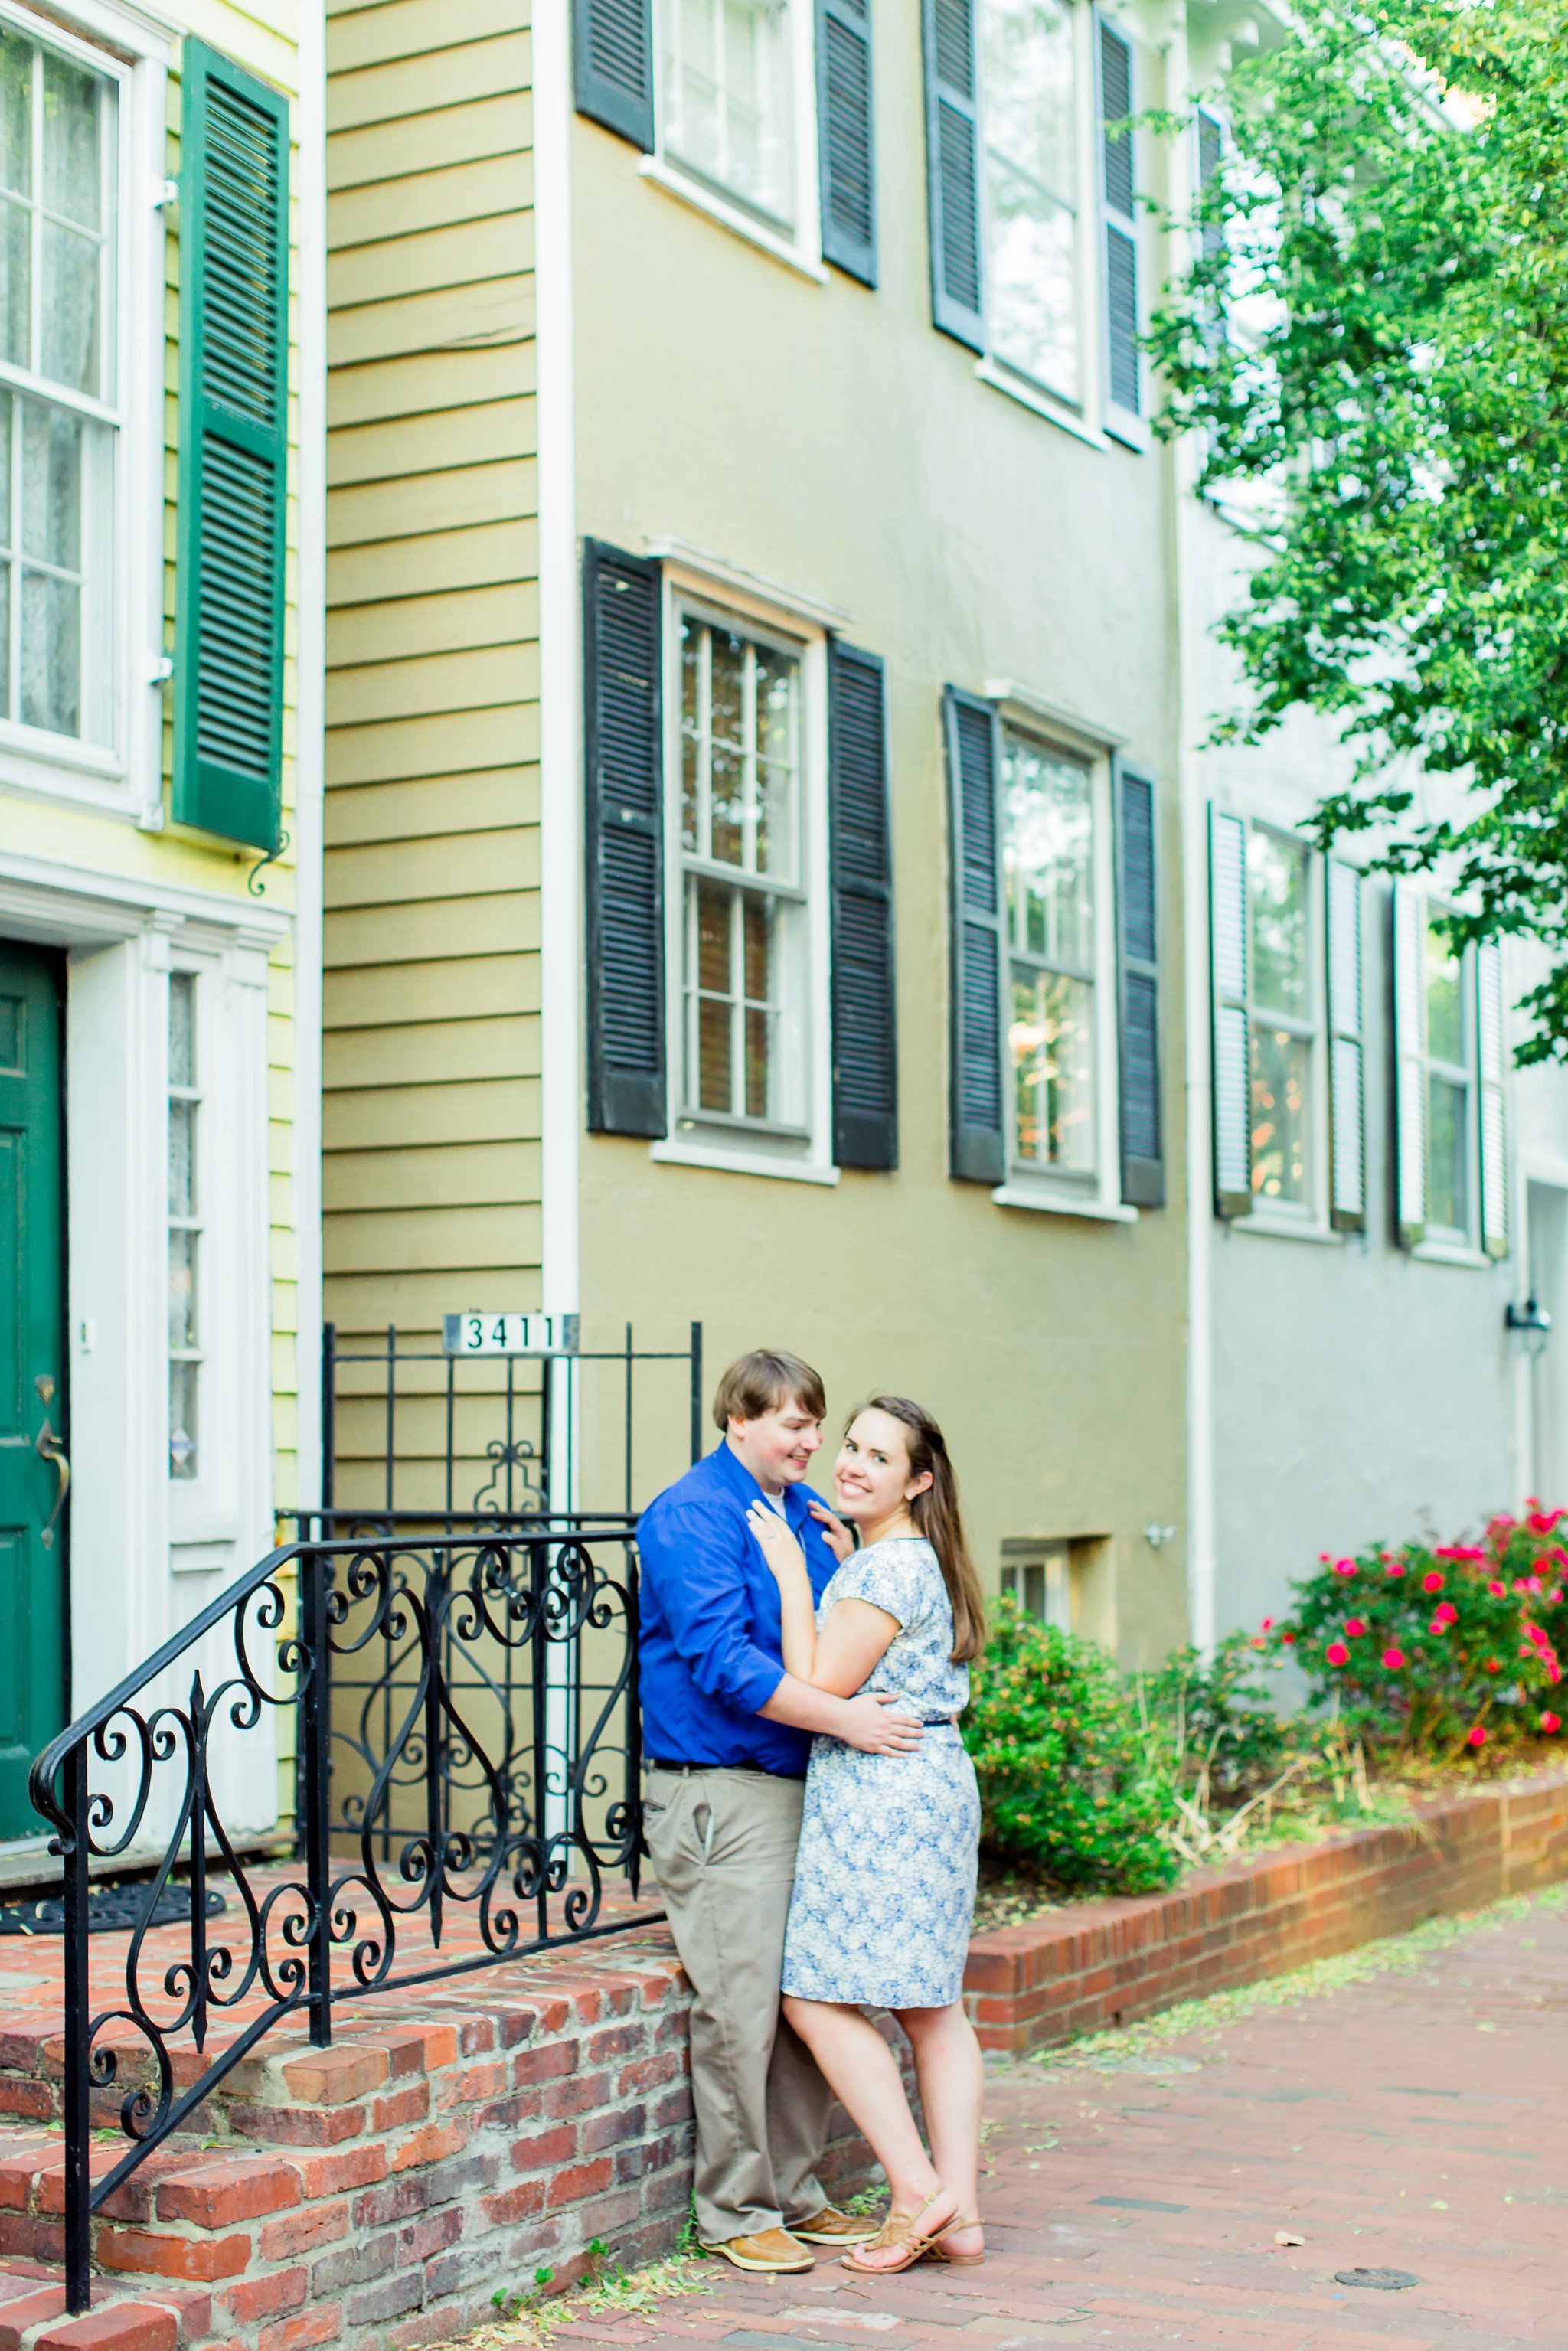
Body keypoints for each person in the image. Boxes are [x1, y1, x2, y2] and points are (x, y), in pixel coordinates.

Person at [636, 1350, 926, 2275]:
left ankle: (797, 2192)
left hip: (811, 1785)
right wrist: (845, 1718)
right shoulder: (690, 1514)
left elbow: (822, 1642)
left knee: (813, 1993)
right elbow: (725, 1663)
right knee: (737, 2004)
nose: (808, 1439)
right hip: (720, 1790)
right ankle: (735, 2205)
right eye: (790, 1422)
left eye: (815, 1421)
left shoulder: (809, 1516)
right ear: (737, 1421)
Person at [747, 1395, 987, 2276]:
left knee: (811, 1995)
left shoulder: (883, 1569)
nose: (849, 1462)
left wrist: (787, 1570)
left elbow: (816, 1676)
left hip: (882, 1795)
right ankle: (957, 2214)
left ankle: (919, 2188)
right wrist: (844, 1567)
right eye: (848, 1446)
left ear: (917, 1480)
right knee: (932, 2007)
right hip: (927, 1784)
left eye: (876, 1457)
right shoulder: (903, 1556)